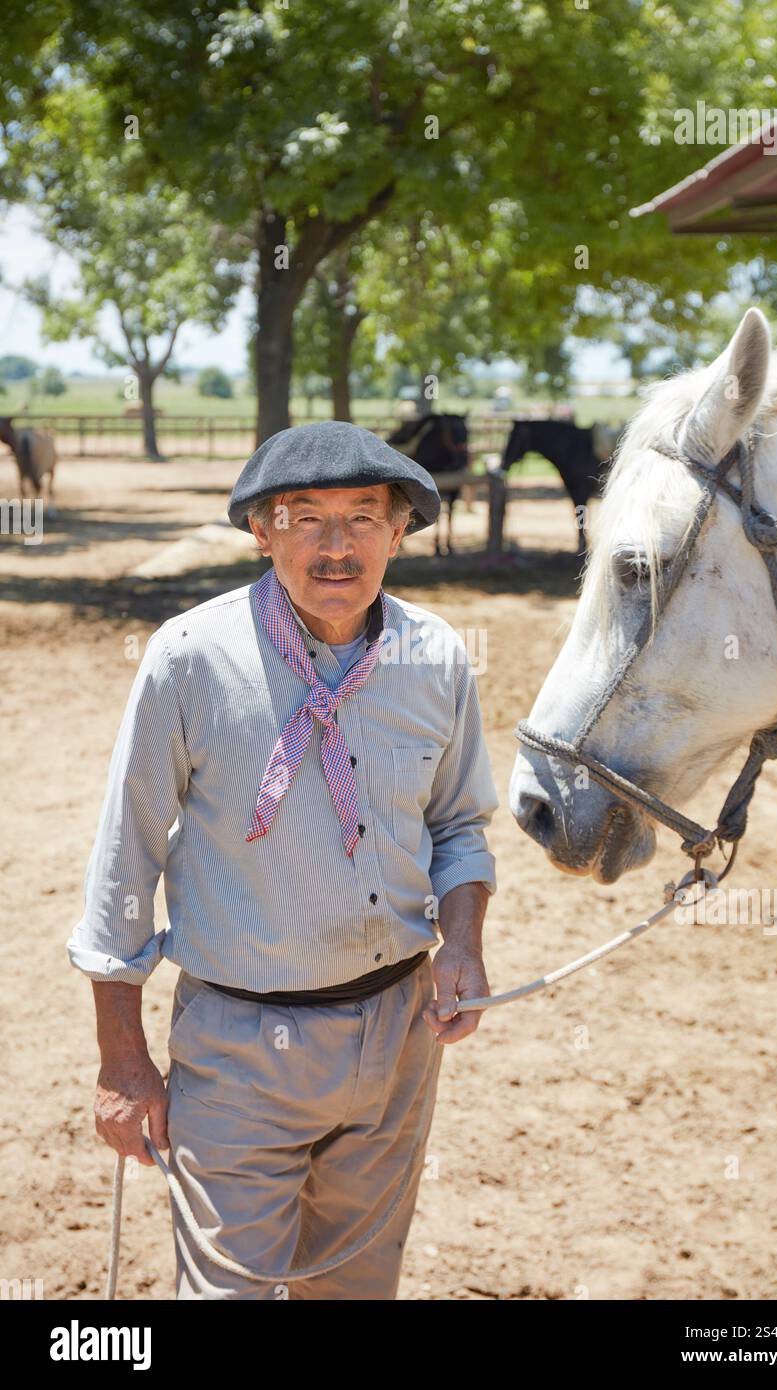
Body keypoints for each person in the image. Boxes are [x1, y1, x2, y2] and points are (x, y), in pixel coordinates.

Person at [67, 420, 499, 1299]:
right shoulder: (188, 661)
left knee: (354, 1289)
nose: (337, 547)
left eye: (364, 517)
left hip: (398, 1039)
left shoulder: (436, 656)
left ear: (399, 531)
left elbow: (459, 829)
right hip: (238, 1052)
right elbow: (125, 863)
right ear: (261, 532)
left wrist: (462, 943)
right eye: (305, 518)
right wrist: (122, 1062)